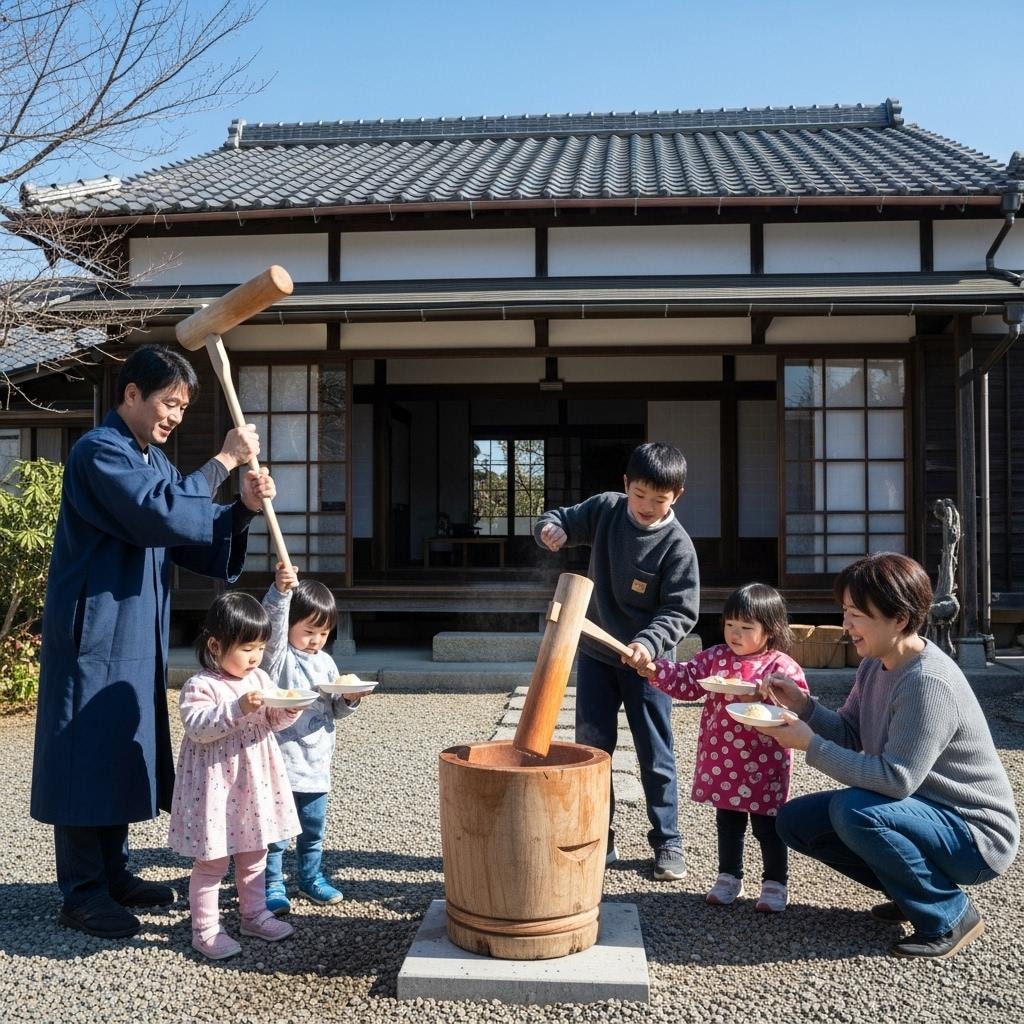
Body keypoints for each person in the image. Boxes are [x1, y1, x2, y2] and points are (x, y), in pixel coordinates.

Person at [30, 344, 275, 940]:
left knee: (121, 748)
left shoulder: (154, 461)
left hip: (136, 629)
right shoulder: (99, 451)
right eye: (168, 402)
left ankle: (113, 873)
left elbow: (187, 535)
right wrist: (221, 462)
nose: (174, 416)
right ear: (131, 394)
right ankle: (82, 892)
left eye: (183, 408)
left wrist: (240, 510)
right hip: (93, 631)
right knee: (86, 751)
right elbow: (157, 513)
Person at [759, 553, 1019, 959]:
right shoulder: (875, 665)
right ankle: (911, 894)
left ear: (899, 619)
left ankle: (950, 913)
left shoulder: (926, 681)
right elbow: (850, 732)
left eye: (857, 614)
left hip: (973, 834)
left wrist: (810, 744)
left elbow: (897, 780)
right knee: (795, 822)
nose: (846, 625)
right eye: (845, 612)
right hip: (922, 813)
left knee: (854, 811)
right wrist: (804, 707)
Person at [534, 441, 699, 880]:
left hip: (648, 666)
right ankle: (598, 836)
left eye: (659, 500)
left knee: (655, 752)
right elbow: (561, 519)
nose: (646, 507)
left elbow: (681, 610)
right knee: (593, 749)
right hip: (595, 656)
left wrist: (650, 643)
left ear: (676, 496)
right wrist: (550, 529)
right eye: (640, 495)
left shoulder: (678, 547)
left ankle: (667, 841)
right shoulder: (607, 509)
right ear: (626, 485)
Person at [642, 583, 808, 912]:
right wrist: (655, 669)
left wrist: (767, 693)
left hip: (765, 759)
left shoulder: (780, 667)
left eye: (747, 628)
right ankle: (728, 876)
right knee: (728, 822)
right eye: (731, 625)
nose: (735, 634)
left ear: (770, 631)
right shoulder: (717, 657)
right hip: (724, 758)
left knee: (767, 824)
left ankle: (775, 881)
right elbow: (688, 681)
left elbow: (798, 706)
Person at [168, 592, 300, 960]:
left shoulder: (259, 676)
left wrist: (291, 709)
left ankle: (254, 914)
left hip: (254, 783)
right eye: (246, 648)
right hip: (216, 786)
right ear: (215, 644)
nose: (255, 656)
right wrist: (238, 706)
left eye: (259, 646)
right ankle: (206, 930)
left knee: (255, 850)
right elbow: (198, 727)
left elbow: (273, 719)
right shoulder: (201, 685)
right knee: (212, 861)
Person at [261, 562, 363, 914]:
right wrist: (281, 593)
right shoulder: (279, 659)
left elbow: (334, 710)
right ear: (290, 626)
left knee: (313, 831)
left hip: (317, 765)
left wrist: (349, 700)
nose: (316, 640)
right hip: (280, 763)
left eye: (324, 632)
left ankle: (310, 878)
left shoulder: (327, 663)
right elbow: (272, 630)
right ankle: (271, 885)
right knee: (275, 836)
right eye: (308, 631)